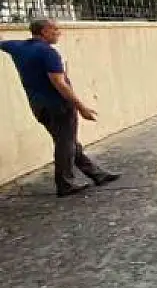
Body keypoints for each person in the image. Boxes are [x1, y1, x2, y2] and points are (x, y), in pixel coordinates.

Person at [1, 19, 120, 196]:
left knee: (68, 141)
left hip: (38, 106)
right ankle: (65, 184)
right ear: (43, 32)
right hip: (58, 106)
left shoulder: (18, 47)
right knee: (65, 143)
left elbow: (2, 42)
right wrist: (81, 107)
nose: (58, 32)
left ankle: (97, 174)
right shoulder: (48, 53)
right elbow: (59, 83)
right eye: (54, 29)